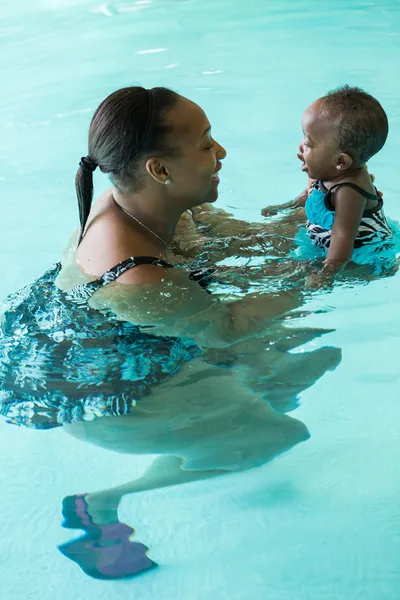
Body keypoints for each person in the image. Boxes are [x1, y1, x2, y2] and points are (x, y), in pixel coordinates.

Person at [0, 86, 340, 580]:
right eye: (206, 144)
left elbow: (250, 240)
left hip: (124, 350)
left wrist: (324, 202)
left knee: (296, 364)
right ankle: (105, 502)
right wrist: (329, 275)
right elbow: (226, 329)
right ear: (159, 169)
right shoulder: (137, 277)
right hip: (104, 395)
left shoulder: (145, 201)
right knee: (275, 432)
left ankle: (213, 436)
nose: (220, 153)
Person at [262, 86, 397, 287]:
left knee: (293, 274)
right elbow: (309, 195)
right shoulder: (326, 170)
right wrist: (285, 207)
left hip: (362, 253)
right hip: (326, 238)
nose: (300, 146)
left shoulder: (349, 190)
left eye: (309, 144)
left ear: (341, 162)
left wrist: (327, 272)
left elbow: (342, 236)